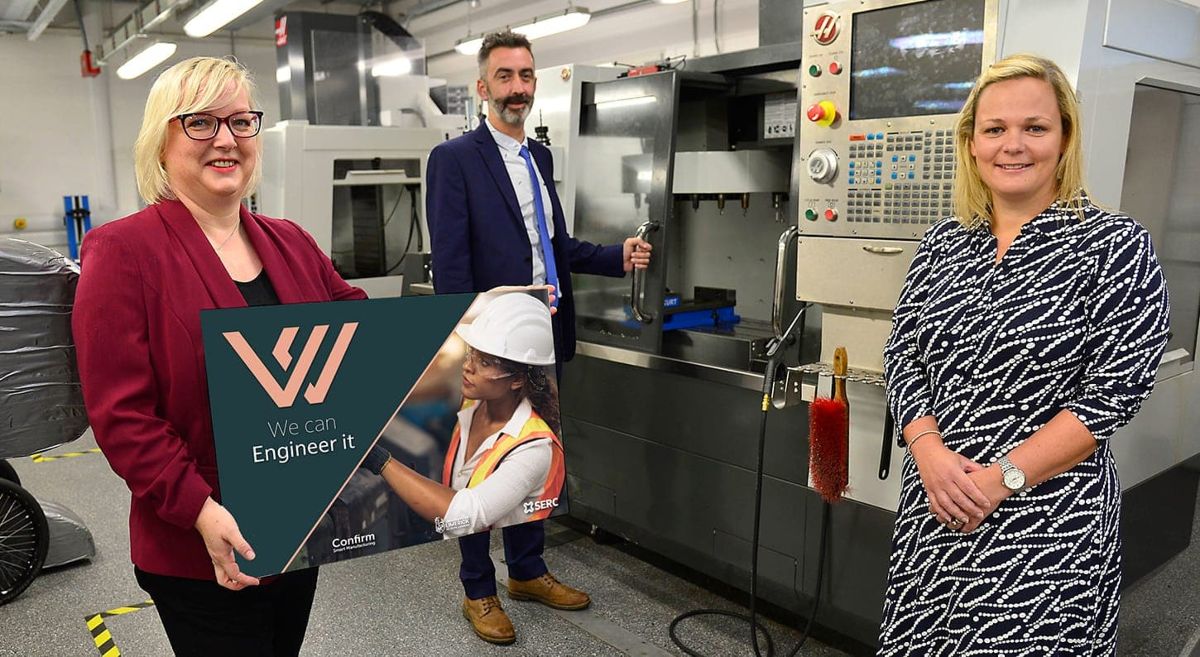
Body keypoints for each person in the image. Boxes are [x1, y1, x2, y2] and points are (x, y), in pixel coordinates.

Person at [878, 54, 1170, 655]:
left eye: (1035, 128)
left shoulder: (1112, 245)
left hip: (1047, 522)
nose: (1013, 145)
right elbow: (903, 352)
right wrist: (927, 452)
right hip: (937, 506)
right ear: (972, 143)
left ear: (1064, 138)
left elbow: (1114, 393)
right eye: (995, 129)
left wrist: (1001, 480)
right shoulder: (944, 242)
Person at [73, 57, 366, 656]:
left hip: (297, 528)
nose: (226, 139)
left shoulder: (291, 241)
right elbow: (122, 416)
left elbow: (364, 331)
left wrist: (480, 319)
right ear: (162, 143)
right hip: (196, 544)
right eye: (200, 123)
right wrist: (200, 511)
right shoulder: (123, 251)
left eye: (240, 121)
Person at [425, 30, 652, 644]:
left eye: (526, 76)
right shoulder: (455, 160)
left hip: (544, 339)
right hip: (491, 338)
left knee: (534, 455)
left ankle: (526, 570)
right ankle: (479, 587)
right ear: (482, 87)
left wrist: (614, 256)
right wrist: (471, 343)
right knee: (477, 465)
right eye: (505, 76)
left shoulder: (539, 158)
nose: (518, 88)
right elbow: (450, 263)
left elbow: (555, 247)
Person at [361, 293, 569, 644]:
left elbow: (466, 513)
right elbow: (454, 330)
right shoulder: (475, 399)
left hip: (481, 507)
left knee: (496, 510)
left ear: (517, 379)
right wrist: (509, 296)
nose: (468, 366)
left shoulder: (533, 447)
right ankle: (479, 593)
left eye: (484, 361)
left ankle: (527, 574)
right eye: (471, 354)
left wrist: (379, 459)